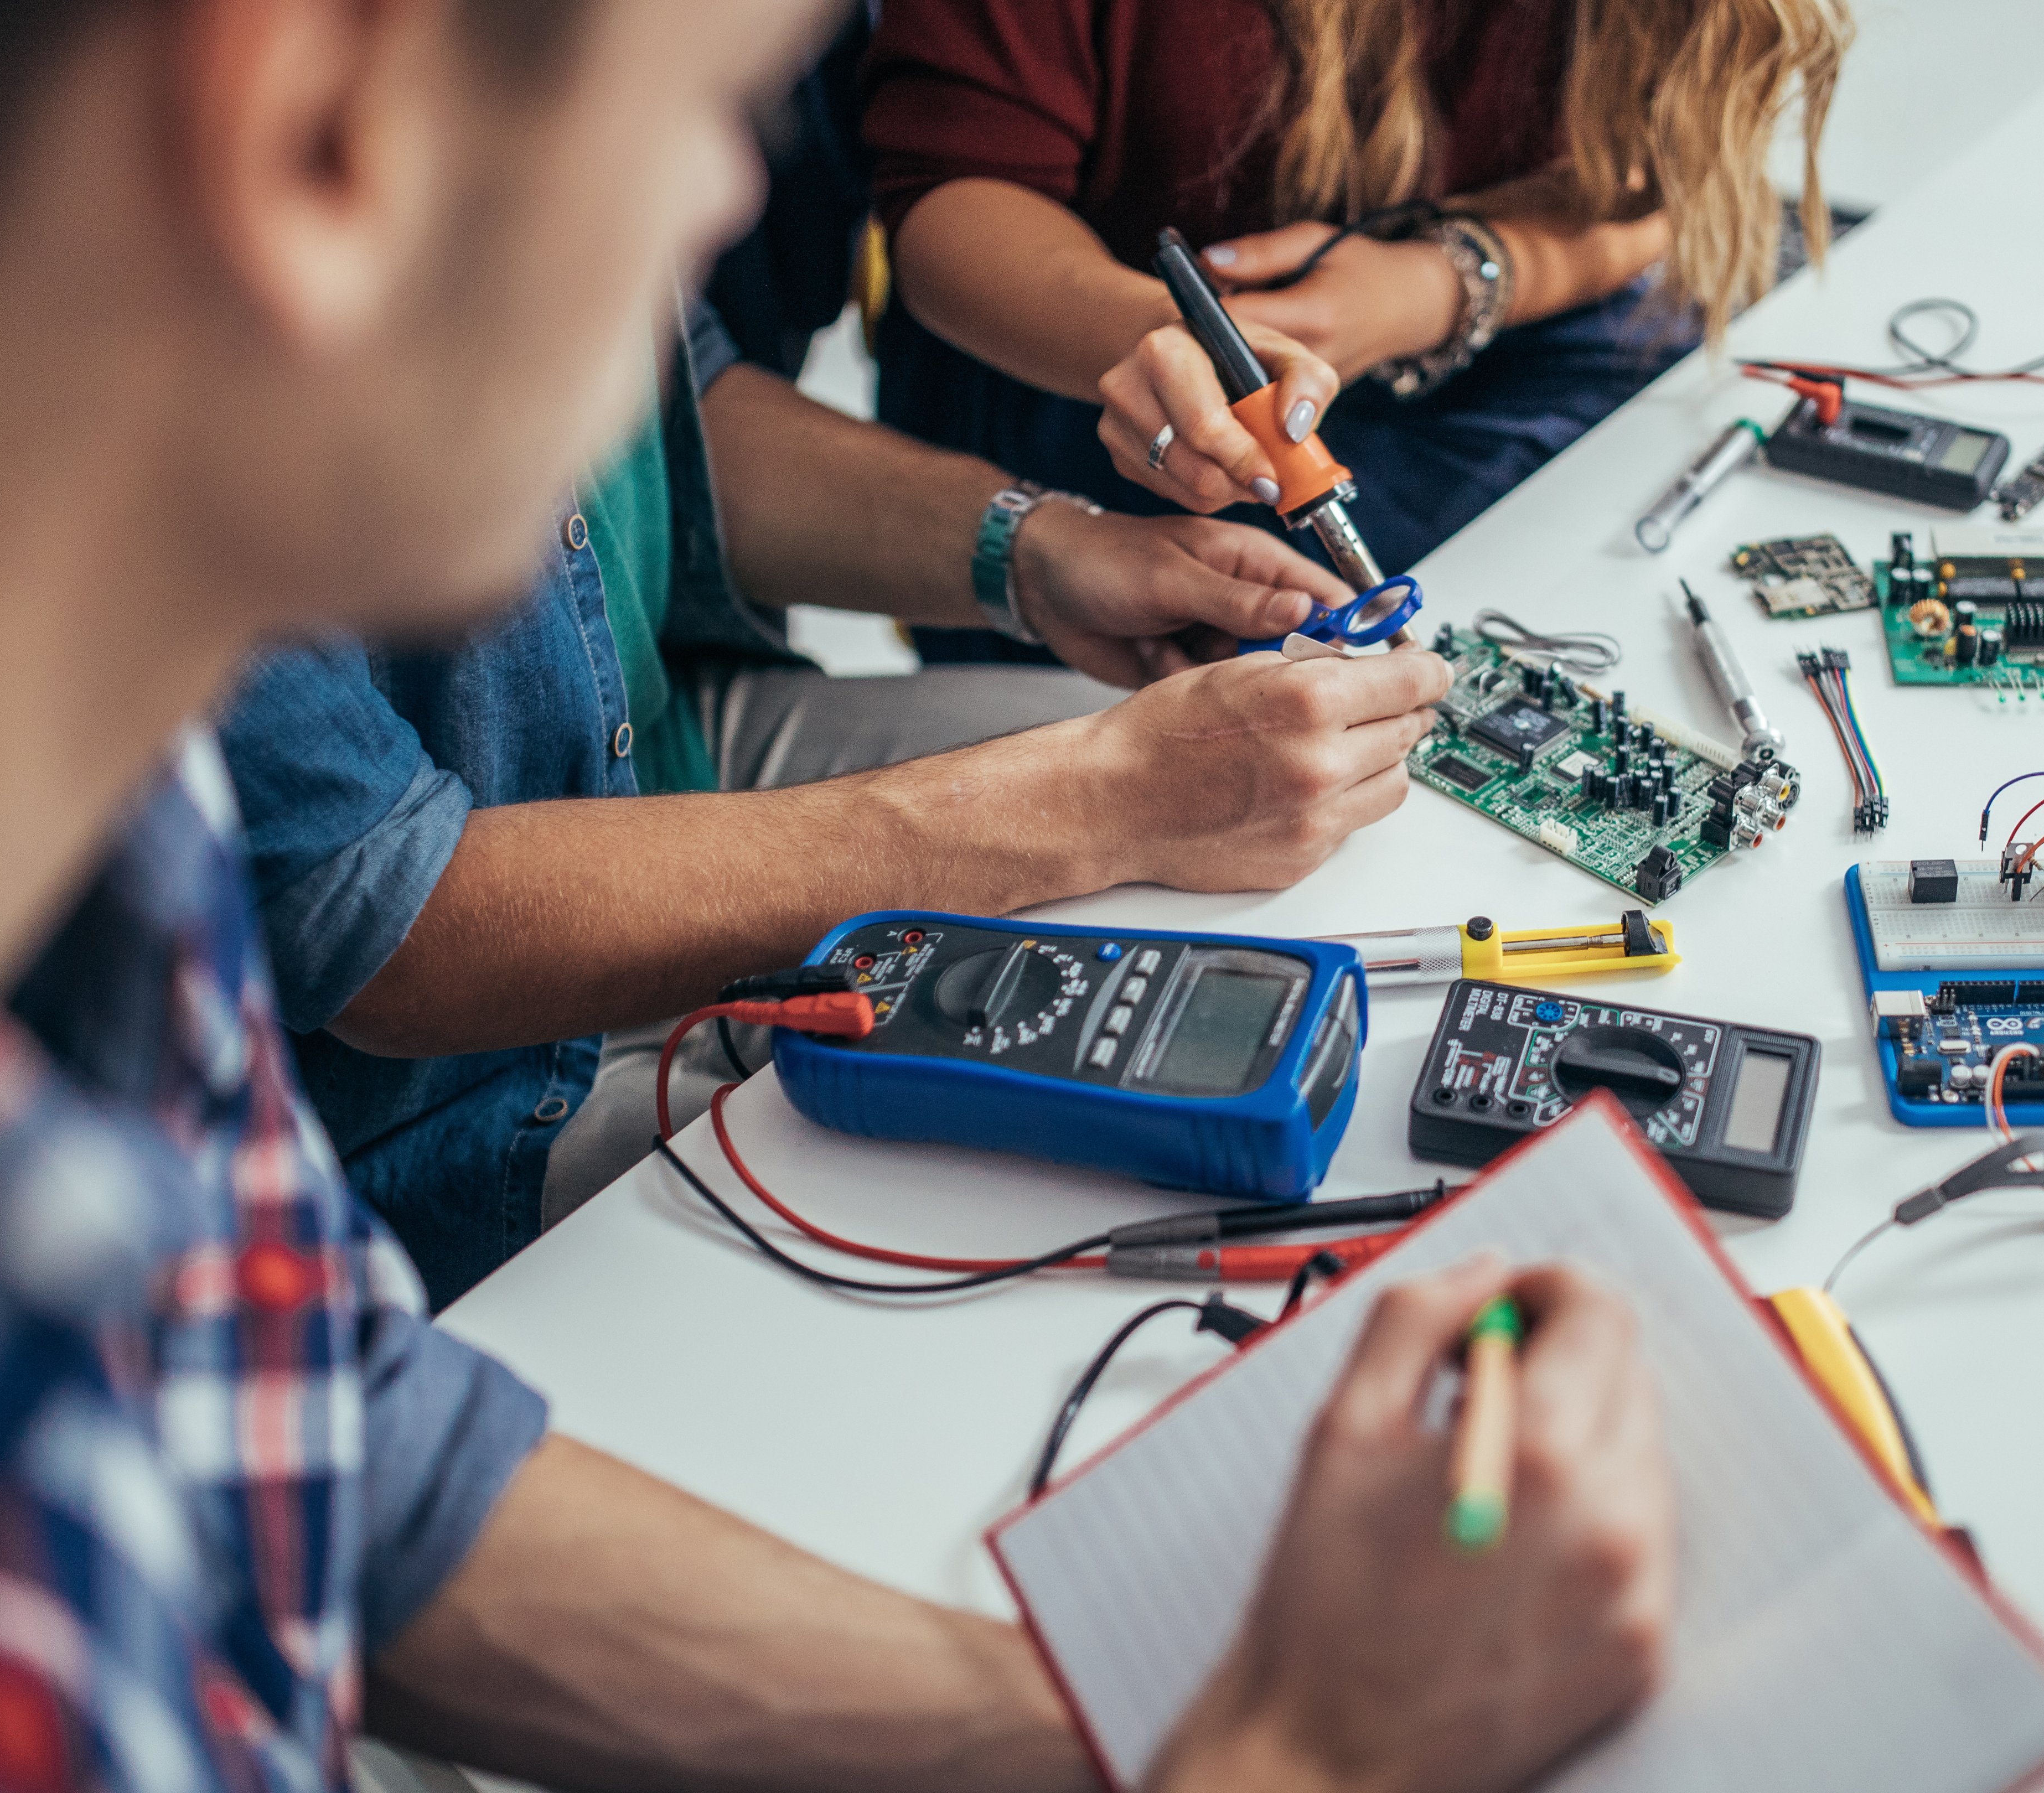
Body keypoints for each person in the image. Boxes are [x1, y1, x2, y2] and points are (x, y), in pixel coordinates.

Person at [0, 5, 1673, 1792]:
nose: (735, 201)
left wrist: (1133, 1726)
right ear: (323, 138)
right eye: (694, 112)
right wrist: (1309, 1763)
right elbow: (393, 944)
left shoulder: (108, 825)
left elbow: (336, 1456)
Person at [219, 287, 1449, 1303]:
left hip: (684, 744)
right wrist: (1094, 798)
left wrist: (1036, 551)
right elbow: (383, 925)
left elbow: (679, 401)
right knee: (1077, 1261)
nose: (738, 185)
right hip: (453, 1095)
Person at [861, 0, 1853, 644]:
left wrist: (1440, 288)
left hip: (1502, 338)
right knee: (1264, 664)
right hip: (1102, 396)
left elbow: (1655, 188)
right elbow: (949, 206)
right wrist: (1144, 336)